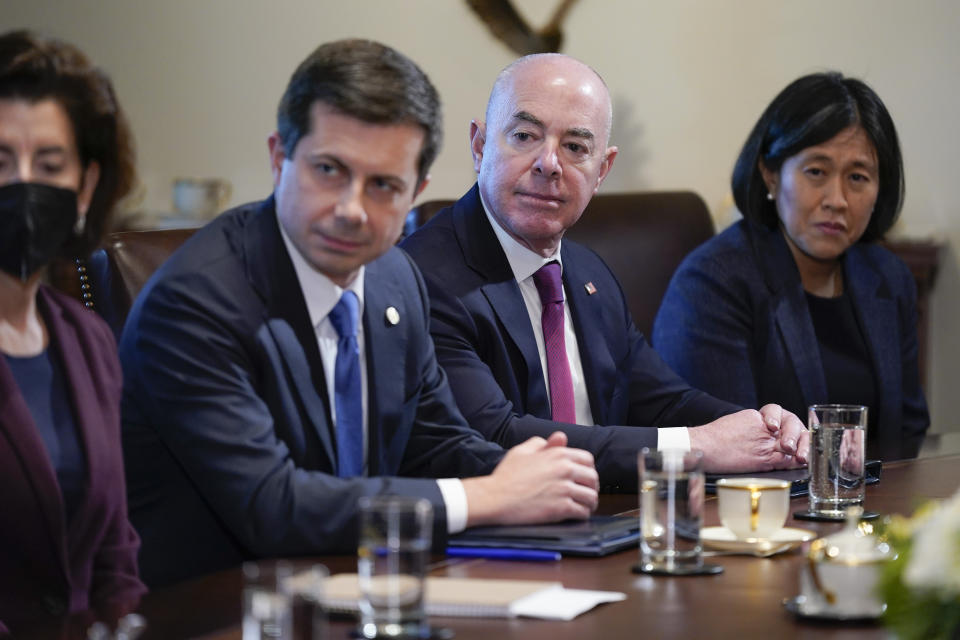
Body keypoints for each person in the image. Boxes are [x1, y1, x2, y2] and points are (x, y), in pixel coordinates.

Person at [119, 39, 599, 588]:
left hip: (371, 589)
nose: (351, 209)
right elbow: (272, 506)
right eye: (329, 170)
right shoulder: (196, 302)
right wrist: (487, 496)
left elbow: (435, 441)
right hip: (219, 610)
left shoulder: (394, 279)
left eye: (383, 186)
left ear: (414, 191)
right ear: (279, 158)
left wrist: (534, 476)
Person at [400, 53, 809, 491]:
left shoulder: (586, 272)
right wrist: (694, 447)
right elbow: (495, 438)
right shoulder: (423, 277)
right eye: (524, 136)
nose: (549, 163)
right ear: (480, 147)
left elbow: (665, 402)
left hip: (612, 525)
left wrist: (760, 429)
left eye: (575, 147)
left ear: (602, 171)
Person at [653, 72, 929, 461]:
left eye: (858, 177)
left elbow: (908, 435)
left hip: (871, 511)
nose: (837, 199)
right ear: (770, 172)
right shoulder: (713, 283)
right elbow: (725, 454)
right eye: (816, 172)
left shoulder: (888, 278)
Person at [0, 30, 145, 634]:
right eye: (0, 161)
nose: (23, 185)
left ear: (84, 187)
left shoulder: (87, 339)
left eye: (49, 164)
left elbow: (115, 554)